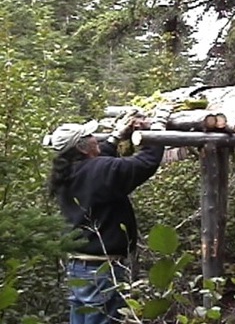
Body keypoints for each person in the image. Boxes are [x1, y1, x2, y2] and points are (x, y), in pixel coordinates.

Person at [48, 106, 172, 324]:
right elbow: (144, 163)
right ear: (83, 147)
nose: (96, 138)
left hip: (79, 267)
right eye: (90, 137)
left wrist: (116, 136)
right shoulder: (98, 170)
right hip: (101, 270)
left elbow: (100, 163)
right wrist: (157, 128)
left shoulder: (66, 171)